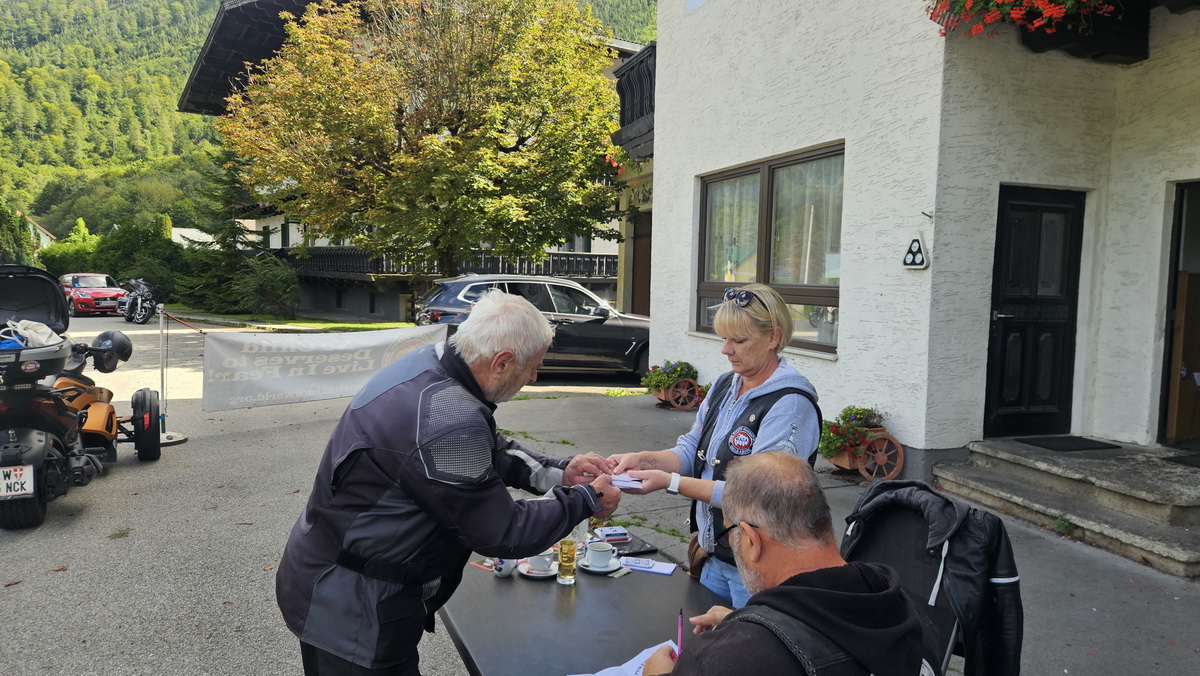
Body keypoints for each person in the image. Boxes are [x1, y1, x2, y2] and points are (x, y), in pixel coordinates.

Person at [275, 290, 620, 675]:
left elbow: (486, 447)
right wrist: (585, 499)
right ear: (503, 362)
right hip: (353, 611)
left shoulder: (432, 363)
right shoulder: (448, 419)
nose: (534, 377)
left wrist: (561, 472)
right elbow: (503, 531)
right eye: (532, 367)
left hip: (334, 576)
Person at [610, 283, 820, 607]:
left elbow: (756, 495)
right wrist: (643, 461)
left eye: (738, 340)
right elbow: (691, 449)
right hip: (716, 557)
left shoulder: (790, 404)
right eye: (723, 338)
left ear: (773, 337)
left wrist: (670, 482)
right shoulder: (725, 385)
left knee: (743, 641)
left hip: (761, 570)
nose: (725, 350)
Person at [642, 452, 932, 676]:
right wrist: (752, 623)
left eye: (730, 533)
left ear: (752, 541)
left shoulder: (725, 659)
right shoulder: (899, 604)